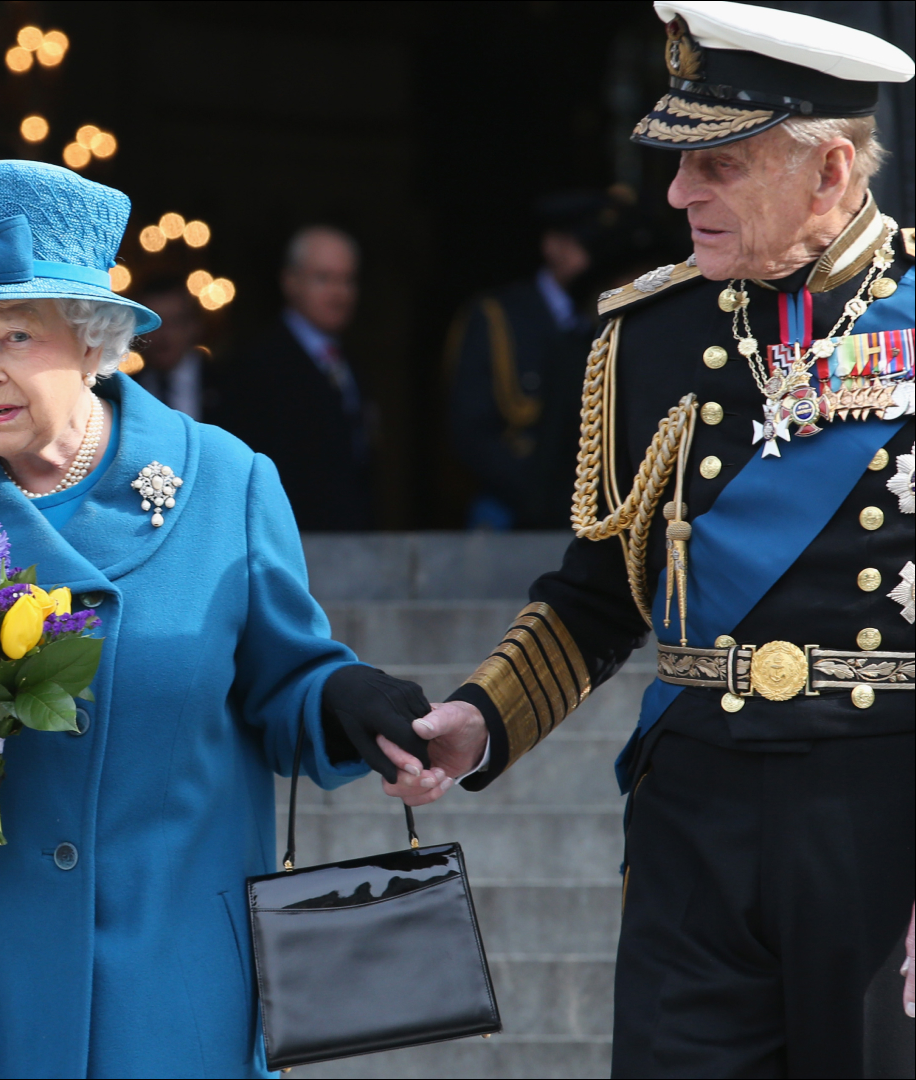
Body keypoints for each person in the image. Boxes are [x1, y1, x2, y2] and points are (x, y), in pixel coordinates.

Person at [381, 4, 916, 1076]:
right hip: (695, 820)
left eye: (716, 165)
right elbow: (600, 596)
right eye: (678, 163)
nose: (676, 194)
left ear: (831, 170)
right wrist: (477, 719)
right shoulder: (647, 337)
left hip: (883, 815)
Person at [0, 160, 433, 1079]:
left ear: (91, 341)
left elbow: (288, 683)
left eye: (15, 336)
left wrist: (346, 695)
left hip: (173, 986)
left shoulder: (227, 482)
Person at [446, 191, 624, 529]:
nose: (598, 257)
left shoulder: (607, 320)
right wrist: (542, 495)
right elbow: (471, 432)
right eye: (585, 244)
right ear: (553, 245)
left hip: (596, 512)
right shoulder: (499, 317)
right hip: (512, 506)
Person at [220, 226, 372, 530]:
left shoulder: (351, 361)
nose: (339, 293)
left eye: (348, 280)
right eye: (324, 278)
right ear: (291, 282)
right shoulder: (258, 366)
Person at [130, 276, 219, 423]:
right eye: (155, 324)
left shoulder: (234, 385)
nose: (164, 335)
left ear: (194, 326)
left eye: (175, 322)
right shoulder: (127, 392)